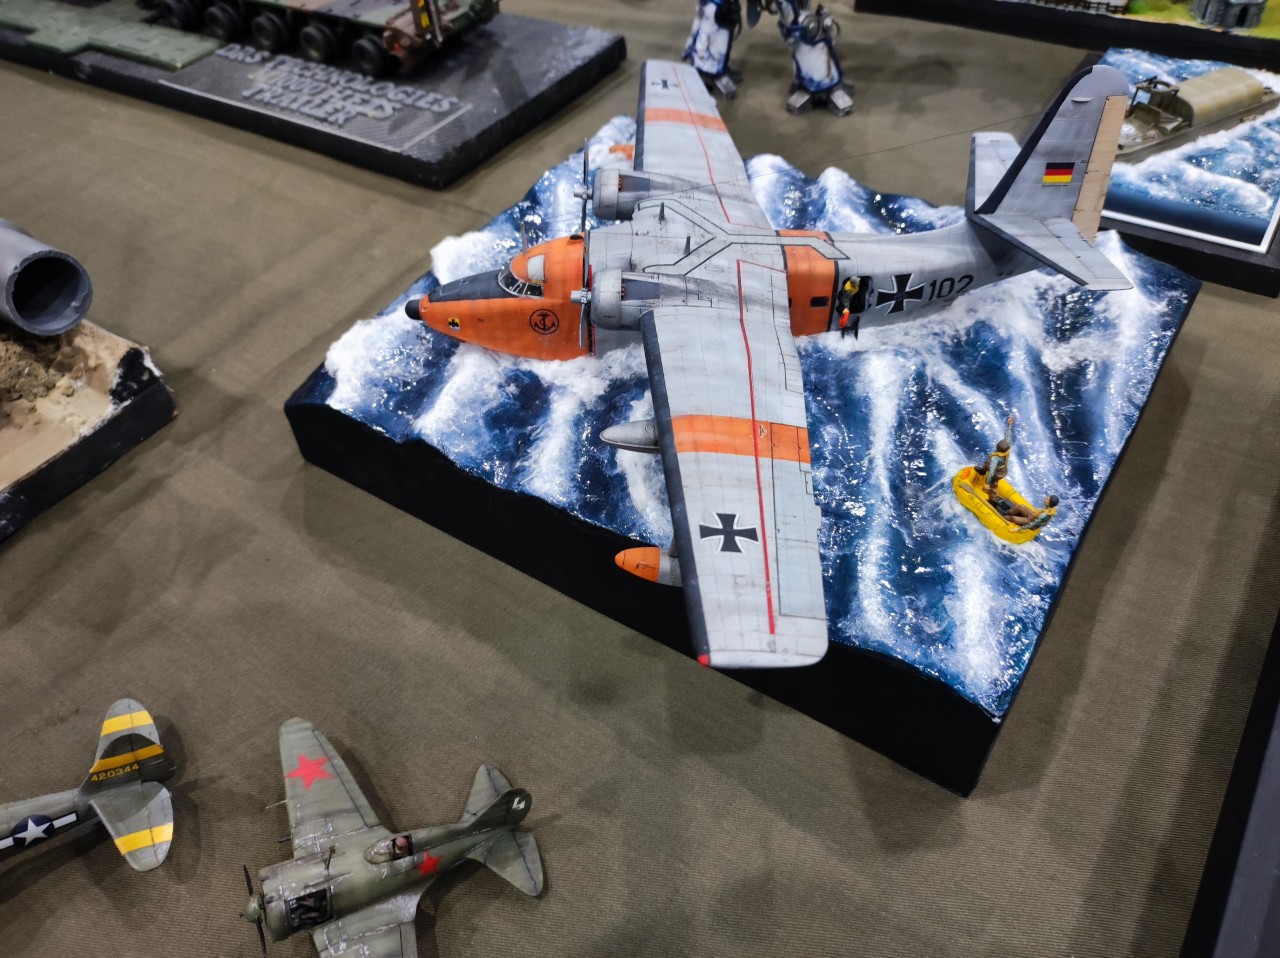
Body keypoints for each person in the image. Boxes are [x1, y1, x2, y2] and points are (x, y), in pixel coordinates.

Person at [981, 415, 1015, 495]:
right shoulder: (1007, 447)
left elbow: (992, 471)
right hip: (1003, 469)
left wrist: (987, 482)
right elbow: (1008, 435)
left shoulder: (995, 459)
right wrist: (1009, 425)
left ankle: (992, 494)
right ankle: (982, 471)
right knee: (986, 464)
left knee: (993, 483)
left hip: (998, 473)